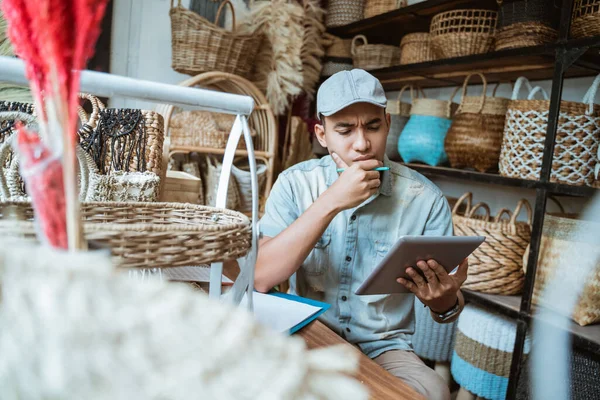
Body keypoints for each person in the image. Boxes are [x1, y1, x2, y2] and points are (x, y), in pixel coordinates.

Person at [255, 69, 467, 400]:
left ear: (388, 123)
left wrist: (442, 298)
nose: (362, 144)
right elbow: (260, 277)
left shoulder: (424, 198)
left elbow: (445, 309)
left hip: (385, 347)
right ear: (322, 134)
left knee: (433, 390)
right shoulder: (296, 184)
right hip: (309, 333)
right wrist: (331, 202)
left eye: (373, 126)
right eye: (344, 130)